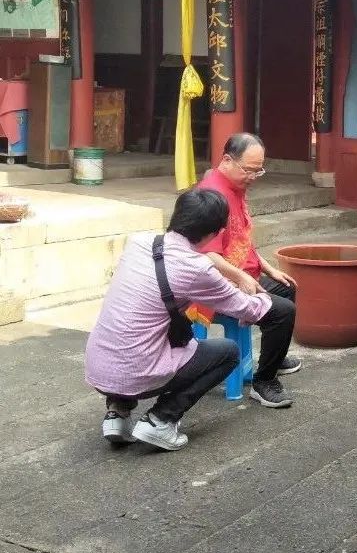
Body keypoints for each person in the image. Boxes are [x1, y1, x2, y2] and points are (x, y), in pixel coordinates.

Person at [85, 189, 293, 452]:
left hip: (98, 365)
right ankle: (161, 419)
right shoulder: (196, 268)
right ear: (215, 233)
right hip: (136, 372)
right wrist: (264, 299)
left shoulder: (138, 242)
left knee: (134, 329)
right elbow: (245, 309)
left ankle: (117, 414)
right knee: (228, 352)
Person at [198, 133, 299, 407]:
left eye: (259, 171)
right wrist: (243, 277)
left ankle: (273, 359)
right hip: (215, 288)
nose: (253, 177)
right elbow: (208, 255)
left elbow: (241, 239)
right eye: (249, 170)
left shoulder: (234, 187)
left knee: (286, 287)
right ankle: (263, 382)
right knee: (282, 312)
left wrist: (268, 268)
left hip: (241, 276)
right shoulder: (212, 196)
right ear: (227, 160)